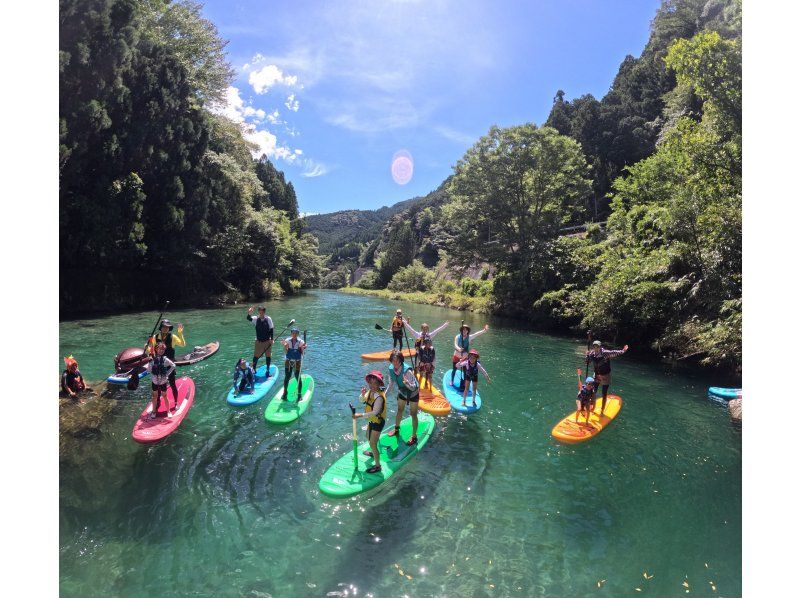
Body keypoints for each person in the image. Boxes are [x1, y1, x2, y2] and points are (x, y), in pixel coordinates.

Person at [353, 370, 387, 474]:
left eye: (375, 383)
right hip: (372, 420)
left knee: (372, 443)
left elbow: (375, 412)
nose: (372, 386)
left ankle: (378, 466)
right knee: (367, 436)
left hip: (378, 422)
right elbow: (362, 400)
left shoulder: (379, 397)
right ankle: (373, 452)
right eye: (370, 383)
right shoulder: (370, 392)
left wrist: (360, 415)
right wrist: (362, 394)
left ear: (379, 384)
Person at [386, 349, 421, 445]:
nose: (395, 363)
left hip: (413, 393)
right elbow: (390, 384)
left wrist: (407, 383)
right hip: (402, 391)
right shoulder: (391, 369)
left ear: (401, 360)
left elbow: (414, 387)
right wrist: (384, 396)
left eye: (397, 360)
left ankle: (414, 436)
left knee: (413, 414)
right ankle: (396, 429)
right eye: (393, 360)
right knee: (400, 410)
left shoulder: (407, 371)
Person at [585, 339, 629, 413]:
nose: (596, 348)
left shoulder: (605, 353)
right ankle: (592, 406)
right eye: (594, 347)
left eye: (597, 347)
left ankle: (602, 410)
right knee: (593, 391)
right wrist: (587, 356)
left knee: (604, 393)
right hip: (597, 375)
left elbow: (614, 352)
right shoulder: (592, 353)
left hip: (605, 375)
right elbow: (587, 362)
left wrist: (623, 350)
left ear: (600, 347)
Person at [150, 319, 185, 400]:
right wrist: (148, 347)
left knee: (172, 384)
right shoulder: (155, 337)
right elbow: (153, 349)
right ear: (161, 327)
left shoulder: (173, 337)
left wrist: (180, 333)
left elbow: (182, 344)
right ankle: (158, 402)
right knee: (158, 385)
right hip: (159, 364)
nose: (166, 328)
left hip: (169, 364)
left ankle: (176, 403)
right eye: (164, 327)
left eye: (167, 327)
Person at [145, 342, 176, 419]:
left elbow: (173, 365)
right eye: (160, 349)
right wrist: (149, 363)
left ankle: (168, 411)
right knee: (154, 397)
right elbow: (148, 371)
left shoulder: (165, 359)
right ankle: (154, 412)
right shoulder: (152, 359)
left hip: (163, 381)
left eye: (163, 349)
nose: (161, 351)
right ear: (156, 349)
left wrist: (167, 374)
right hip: (155, 381)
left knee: (165, 396)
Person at [247, 306, 274, 374]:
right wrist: (249, 313)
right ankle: (254, 369)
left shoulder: (268, 319)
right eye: (260, 311)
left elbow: (271, 329)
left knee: (268, 356)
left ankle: (267, 370)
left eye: (262, 311)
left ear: (264, 312)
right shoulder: (255, 318)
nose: (261, 313)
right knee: (256, 356)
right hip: (258, 341)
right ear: (258, 311)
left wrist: (272, 339)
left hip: (267, 341)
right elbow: (248, 318)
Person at [281, 327, 306, 400]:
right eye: (293, 333)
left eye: (296, 333)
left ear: (298, 334)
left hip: (297, 362)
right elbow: (286, 352)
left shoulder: (301, 342)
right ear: (291, 334)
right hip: (288, 361)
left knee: (298, 377)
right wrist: (285, 346)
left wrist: (303, 348)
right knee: (287, 377)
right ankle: (285, 393)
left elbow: (303, 354)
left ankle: (299, 394)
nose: (294, 334)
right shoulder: (287, 340)